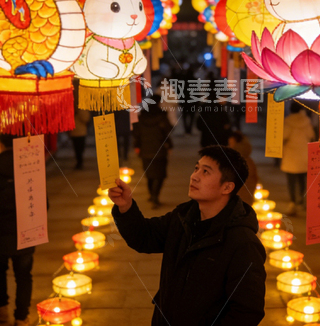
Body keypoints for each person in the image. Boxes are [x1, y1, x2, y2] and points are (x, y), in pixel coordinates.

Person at [109, 146, 267, 326]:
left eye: (206, 172)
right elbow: (144, 237)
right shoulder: (183, 217)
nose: (195, 176)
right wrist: (126, 206)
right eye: (196, 168)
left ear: (227, 187)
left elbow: (247, 311)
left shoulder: (243, 243)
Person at [0, 134, 46, 326]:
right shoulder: (32, 169)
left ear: (1, 146)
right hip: (27, 232)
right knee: (24, 275)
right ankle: (21, 317)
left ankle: (2, 309)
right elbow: (42, 204)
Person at [133, 94, 174, 208]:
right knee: (160, 174)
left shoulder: (141, 117)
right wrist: (170, 146)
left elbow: (137, 134)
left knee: (149, 174)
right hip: (160, 150)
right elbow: (168, 132)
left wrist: (137, 146)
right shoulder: (161, 116)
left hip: (145, 151)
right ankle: (155, 196)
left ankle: (152, 194)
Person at [281, 102, 315, 216]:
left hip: (291, 154)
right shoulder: (306, 121)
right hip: (303, 154)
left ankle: (293, 202)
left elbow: (284, 136)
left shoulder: (288, 121)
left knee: (291, 180)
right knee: (302, 180)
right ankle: (301, 201)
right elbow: (311, 135)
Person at [196, 81, 232, 148]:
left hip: (206, 140)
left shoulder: (205, 107)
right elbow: (227, 126)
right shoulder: (221, 111)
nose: (226, 100)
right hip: (220, 142)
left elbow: (199, 125)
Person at [228, 131, 259, 205]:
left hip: (239, 196)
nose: (229, 146)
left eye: (231, 143)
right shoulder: (248, 160)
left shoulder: (237, 161)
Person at [70, 105, 91, 170]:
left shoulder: (75, 110)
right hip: (80, 132)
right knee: (79, 148)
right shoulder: (81, 110)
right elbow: (86, 118)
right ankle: (79, 162)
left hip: (77, 132)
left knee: (78, 148)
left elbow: (85, 118)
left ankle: (79, 162)